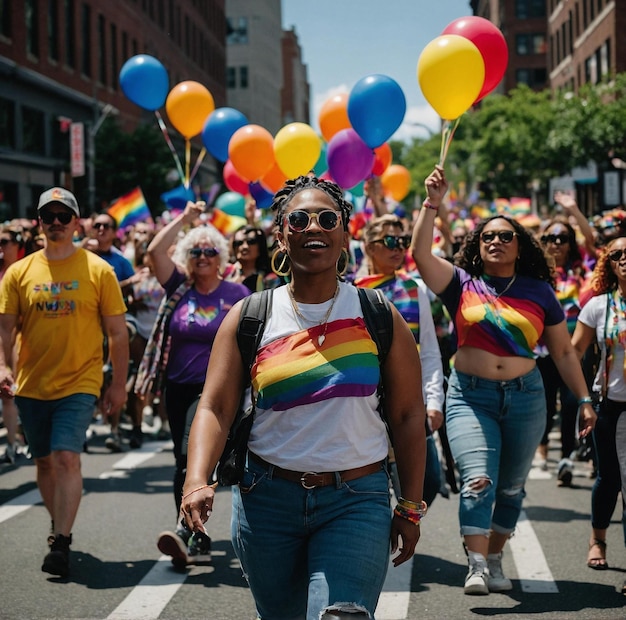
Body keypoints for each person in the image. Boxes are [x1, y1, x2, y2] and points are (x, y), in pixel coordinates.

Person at [180, 175, 427, 619]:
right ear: (280, 234)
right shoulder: (251, 315)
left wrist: (409, 506)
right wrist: (197, 477)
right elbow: (215, 406)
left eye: (327, 218)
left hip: (357, 500)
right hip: (266, 503)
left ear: (345, 233)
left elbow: (409, 414)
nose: (314, 227)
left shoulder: (377, 314)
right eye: (299, 219)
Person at [410, 166, 597, 596]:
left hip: (527, 398)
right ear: (477, 245)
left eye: (505, 236)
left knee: (512, 486)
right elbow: (421, 256)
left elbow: (565, 351)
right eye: (487, 236)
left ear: (520, 245)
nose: (495, 241)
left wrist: (584, 398)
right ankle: (476, 564)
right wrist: (431, 202)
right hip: (469, 397)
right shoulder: (460, 283)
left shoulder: (538, 291)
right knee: (479, 478)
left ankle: (495, 555)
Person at [0, 187, 128, 578]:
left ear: (76, 222)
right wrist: (3, 367)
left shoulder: (98, 270)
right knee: (43, 462)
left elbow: (117, 334)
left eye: (63, 215)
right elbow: (5, 330)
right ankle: (57, 525)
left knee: (65, 457)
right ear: (39, 222)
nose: (55, 222)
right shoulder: (19, 273)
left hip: (80, 381)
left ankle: (61, 540)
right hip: (32, 383)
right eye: (48, 216)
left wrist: (117, 385)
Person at [135, 200, 249, 567]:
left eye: (210, 250)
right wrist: (184, 220)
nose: (202, 256)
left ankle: (184, 529)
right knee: (181, 460)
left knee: (191, 455)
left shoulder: (237, 295)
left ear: (221, 257)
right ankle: (195, 531)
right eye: (195, 251)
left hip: (219, 390)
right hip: (178, 388)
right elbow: (154, 251)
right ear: (187, 256)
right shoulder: (178, 289)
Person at [355, 213, 445, 505]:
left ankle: (401, 526)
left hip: (409, 400)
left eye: (403, 241)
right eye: (390, 241)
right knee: (374, 482)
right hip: (363, 404)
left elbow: (428, 349)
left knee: (427, 481)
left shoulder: (414, 289)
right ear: (368, 246)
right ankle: (384, 543)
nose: (398, 248)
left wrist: (433, 401)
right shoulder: (350, 290)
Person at [571, 237, 626, 575]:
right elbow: (573, 353)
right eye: (617, 254)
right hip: (609, 407)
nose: (624, 259)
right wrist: (584, 400)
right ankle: (598, 539)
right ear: (609, 263)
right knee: (609, 480)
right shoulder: (598, 306)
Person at [536, 215, 591, 483]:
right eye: (549, 238)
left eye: (562, 238)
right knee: (546, 406)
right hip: (542, 354)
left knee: (571, 404)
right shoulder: (534, 274)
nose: (556, 244)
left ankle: (567, 457)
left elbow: (593, 245)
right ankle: (543, 446)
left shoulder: (581, 273)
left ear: (571, 244)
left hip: (573, 353)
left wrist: (575, 211)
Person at [0, 225, 26, 464]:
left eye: (4, 242)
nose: (0, 248)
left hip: (16, 339)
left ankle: (14, 442)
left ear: (17, 246)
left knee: (11, 393)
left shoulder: (23, 272)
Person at [225, 224, 275, 292]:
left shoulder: (269, 279)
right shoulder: (225, 274)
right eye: (239, 243)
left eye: (251, 241)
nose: (244, 246)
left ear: (260, 246)